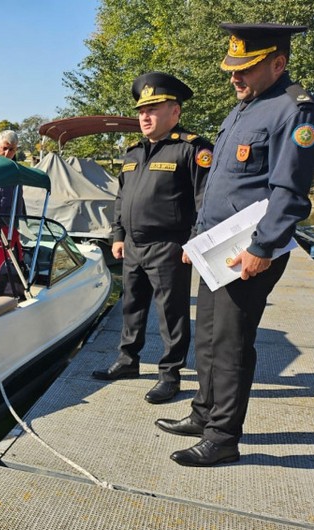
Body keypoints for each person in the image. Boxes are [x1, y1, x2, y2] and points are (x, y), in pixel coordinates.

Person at [156, 23, 314, 466]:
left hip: (250, 250)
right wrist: (196, 238)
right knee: (207, 335)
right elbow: (221, 185)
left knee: (230, 343)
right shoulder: (243, 109)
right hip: (216, 248)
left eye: (245, 68)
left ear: (278, 63)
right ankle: (204, 413)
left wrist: (263, 249)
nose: (234, 77)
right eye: (232, 68)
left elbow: (290, 191)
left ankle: (222, 438)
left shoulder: (292, 111)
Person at [92, 72, 213, 405]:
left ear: (175, 112)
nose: (144, 116)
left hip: (169, 246)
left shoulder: (192, 149)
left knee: (171, 314)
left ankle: (170, 375)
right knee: (131, 307)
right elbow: (121, 198)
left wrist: (195, 240)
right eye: (141, 110)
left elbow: (206, 199)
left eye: (154, 108)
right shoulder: (133, 153)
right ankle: (127, 361)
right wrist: (118, 235)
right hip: (133, 245)